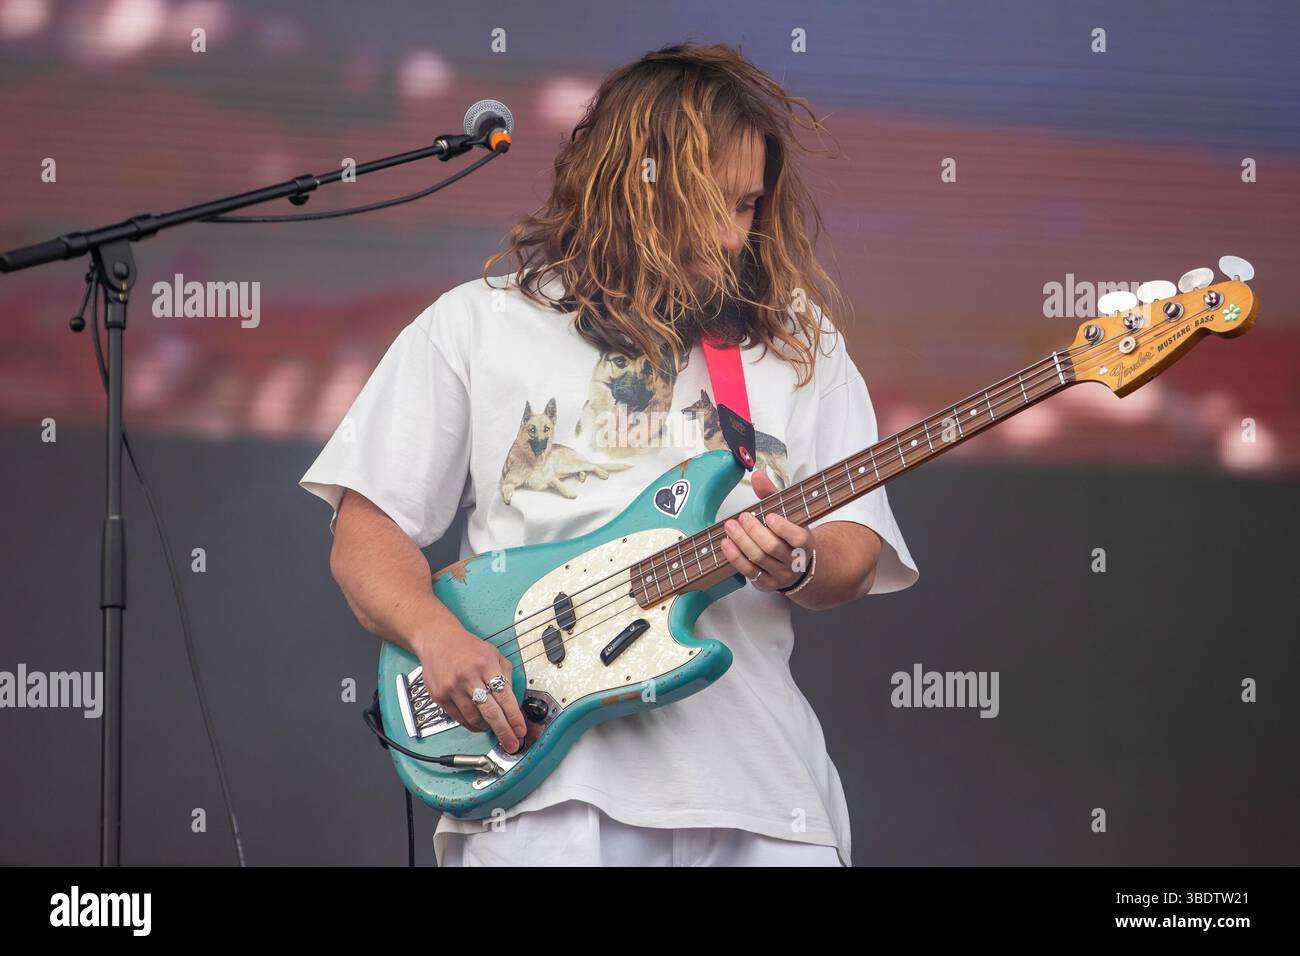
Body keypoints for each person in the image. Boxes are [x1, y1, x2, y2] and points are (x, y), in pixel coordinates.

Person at [300, 42, 918, 867]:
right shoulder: (478, 325)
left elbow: (856, 546)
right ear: (635, 184)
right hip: (548, 794)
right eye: (713, 205)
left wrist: (800, 560)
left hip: (764, 793)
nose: (738, 237)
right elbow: (364, 535)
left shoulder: (796, 342)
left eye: (749, 206)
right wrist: (434, 635)